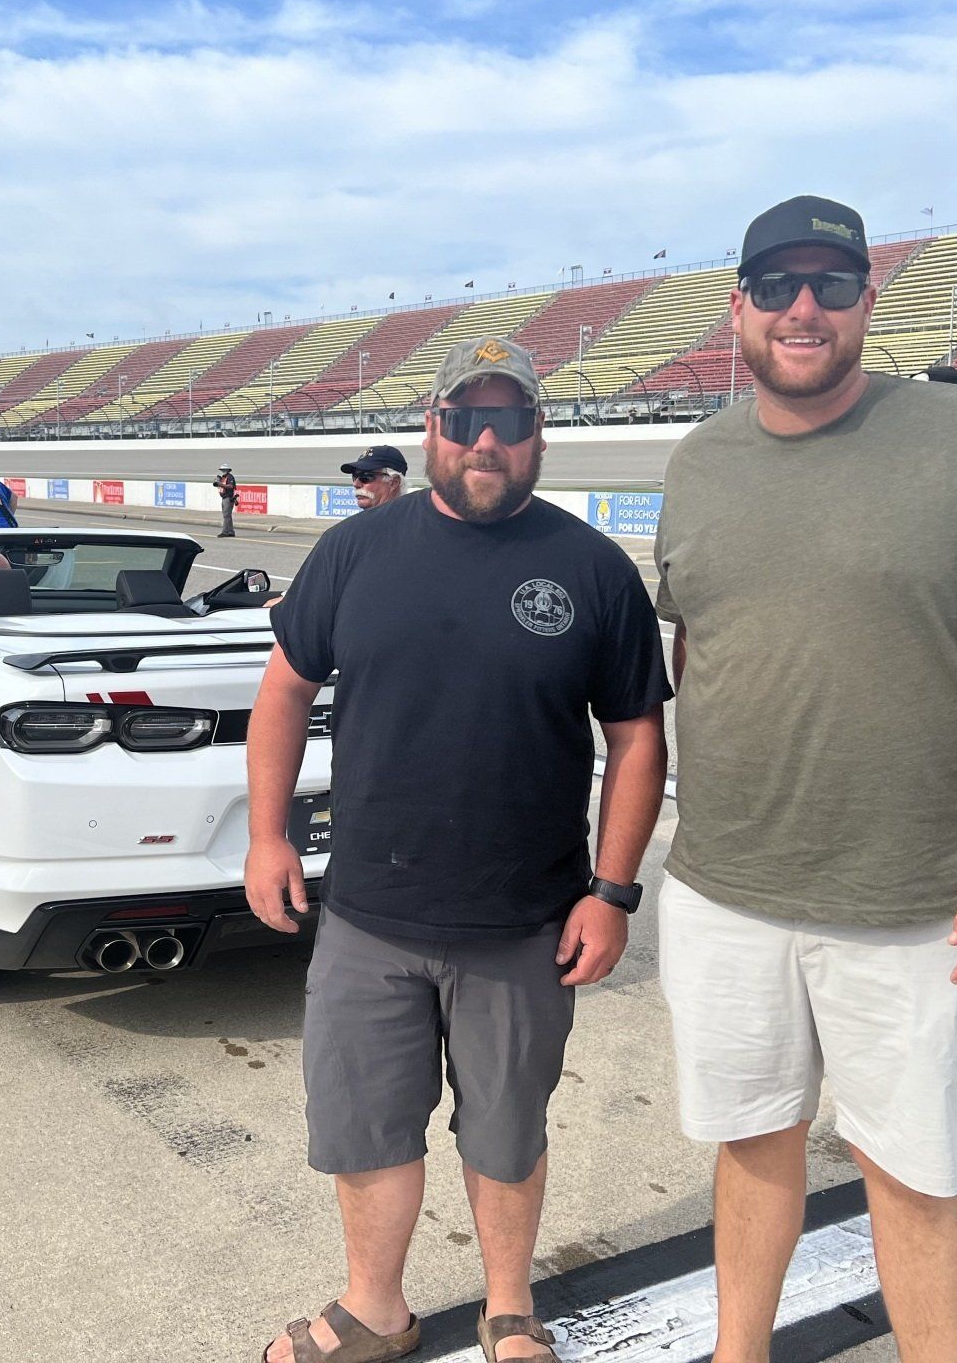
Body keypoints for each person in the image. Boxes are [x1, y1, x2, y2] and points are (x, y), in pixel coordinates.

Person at [651, 195, 957, 1361]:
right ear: (737, 305)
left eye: (833, 286)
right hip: (726, 887)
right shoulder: (698, 462)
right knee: (752, 1144)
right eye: (779, 286)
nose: (805, 309)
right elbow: (698, 644)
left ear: (866, 302)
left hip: (915, 901)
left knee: (910, 1175)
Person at [247, 336, 671, 1363]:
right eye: (467, 418)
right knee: (367, 1128)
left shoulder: (592, 570)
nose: (488, 440)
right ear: (432, 427)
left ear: (538, 436)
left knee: (506, 1131)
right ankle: (373, 1311)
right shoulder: (356, 552)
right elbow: (287, 688)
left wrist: (612, 891)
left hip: (524, 922)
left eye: (512, 421)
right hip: (366, 917)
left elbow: (636, 735)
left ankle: (509, 1308)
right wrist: (266, 836)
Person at [340, 443, 408, 511]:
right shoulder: (360, 521)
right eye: (354, 476)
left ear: (393, 483)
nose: (355, 484)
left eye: (365, 477)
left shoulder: (413, 520)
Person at [214, 465, 237, 537]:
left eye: (224, 469)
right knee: (227, 516)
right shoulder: (223, 478)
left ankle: (225, 532)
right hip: (224, 497)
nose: (223, 471)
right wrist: (218, 482)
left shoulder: (230, 477)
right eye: (222, 470)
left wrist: (220, 484)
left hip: (228, 498)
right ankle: (230, 531)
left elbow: (231, 486)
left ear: (228, 470)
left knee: (226, 516)